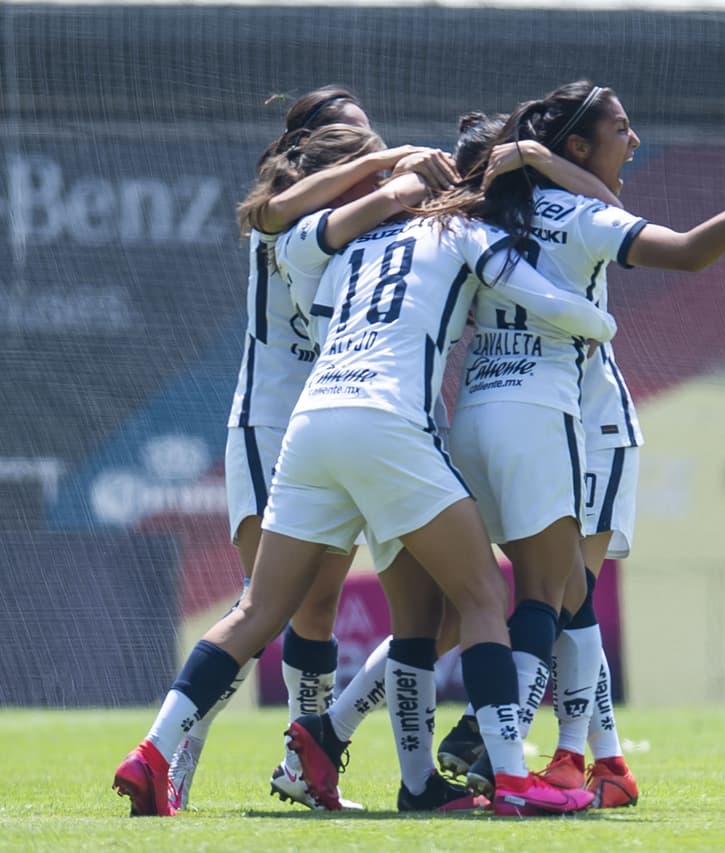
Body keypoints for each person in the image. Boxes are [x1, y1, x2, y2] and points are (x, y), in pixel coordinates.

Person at [110, 111, 612, 817]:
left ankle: (154, 750)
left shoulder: (340, 245)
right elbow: (561, 307)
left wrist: (389, 190)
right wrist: (601, 323)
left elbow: (294, 239)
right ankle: (508, 776)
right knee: (482, 599)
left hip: (314, 428)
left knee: (260, 607)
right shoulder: (470, 233)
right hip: (388, 425)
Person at [433, 80, 725, 801]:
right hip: (566, 415)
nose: (635, 140)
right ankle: (522, 754)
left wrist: (531, 159)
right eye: (621, 128)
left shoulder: (476, 213)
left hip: (468, 414)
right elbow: (685, 249)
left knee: (488, 600)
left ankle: (589, 758)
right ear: (577, 147)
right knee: (556, 598)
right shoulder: (585, 215)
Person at [271, 112, 632, 812]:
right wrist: (602, 324)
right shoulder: (475, 233)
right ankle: (542, 766)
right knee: (534, 596)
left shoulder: (357, 243)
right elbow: (605, 242)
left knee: (431, 618)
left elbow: (279, 231)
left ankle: (345, 741)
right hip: (422, 428)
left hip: (351, 422)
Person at [170, 86, 458, 813]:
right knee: (266, 603)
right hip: (272, 424)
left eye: (375, 133)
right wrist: (394, 162)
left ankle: (310, 753)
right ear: (314, 152)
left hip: (351, 424)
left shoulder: (367, 216)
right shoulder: (285, 216)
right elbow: (273, 211)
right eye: (355, 138)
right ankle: (175, 757)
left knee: (339, 609)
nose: (371, 146)